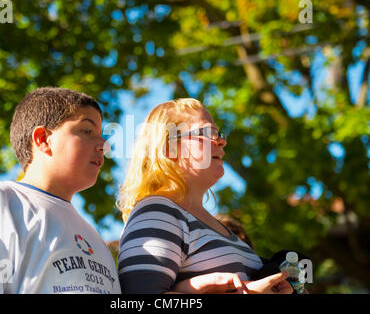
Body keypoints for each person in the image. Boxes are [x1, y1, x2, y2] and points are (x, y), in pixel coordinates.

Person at [0, 87, 121, 294]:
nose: (103, 145)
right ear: (43, 139)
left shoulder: (95, 239)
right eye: (87, 131)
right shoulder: (1, 203)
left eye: (101, 135)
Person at [117, 98, 293, 294]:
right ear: (170, 149)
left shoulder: (217, 226)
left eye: (219, 133)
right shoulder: (157, 212)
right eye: (207, 133)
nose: (222, 141)